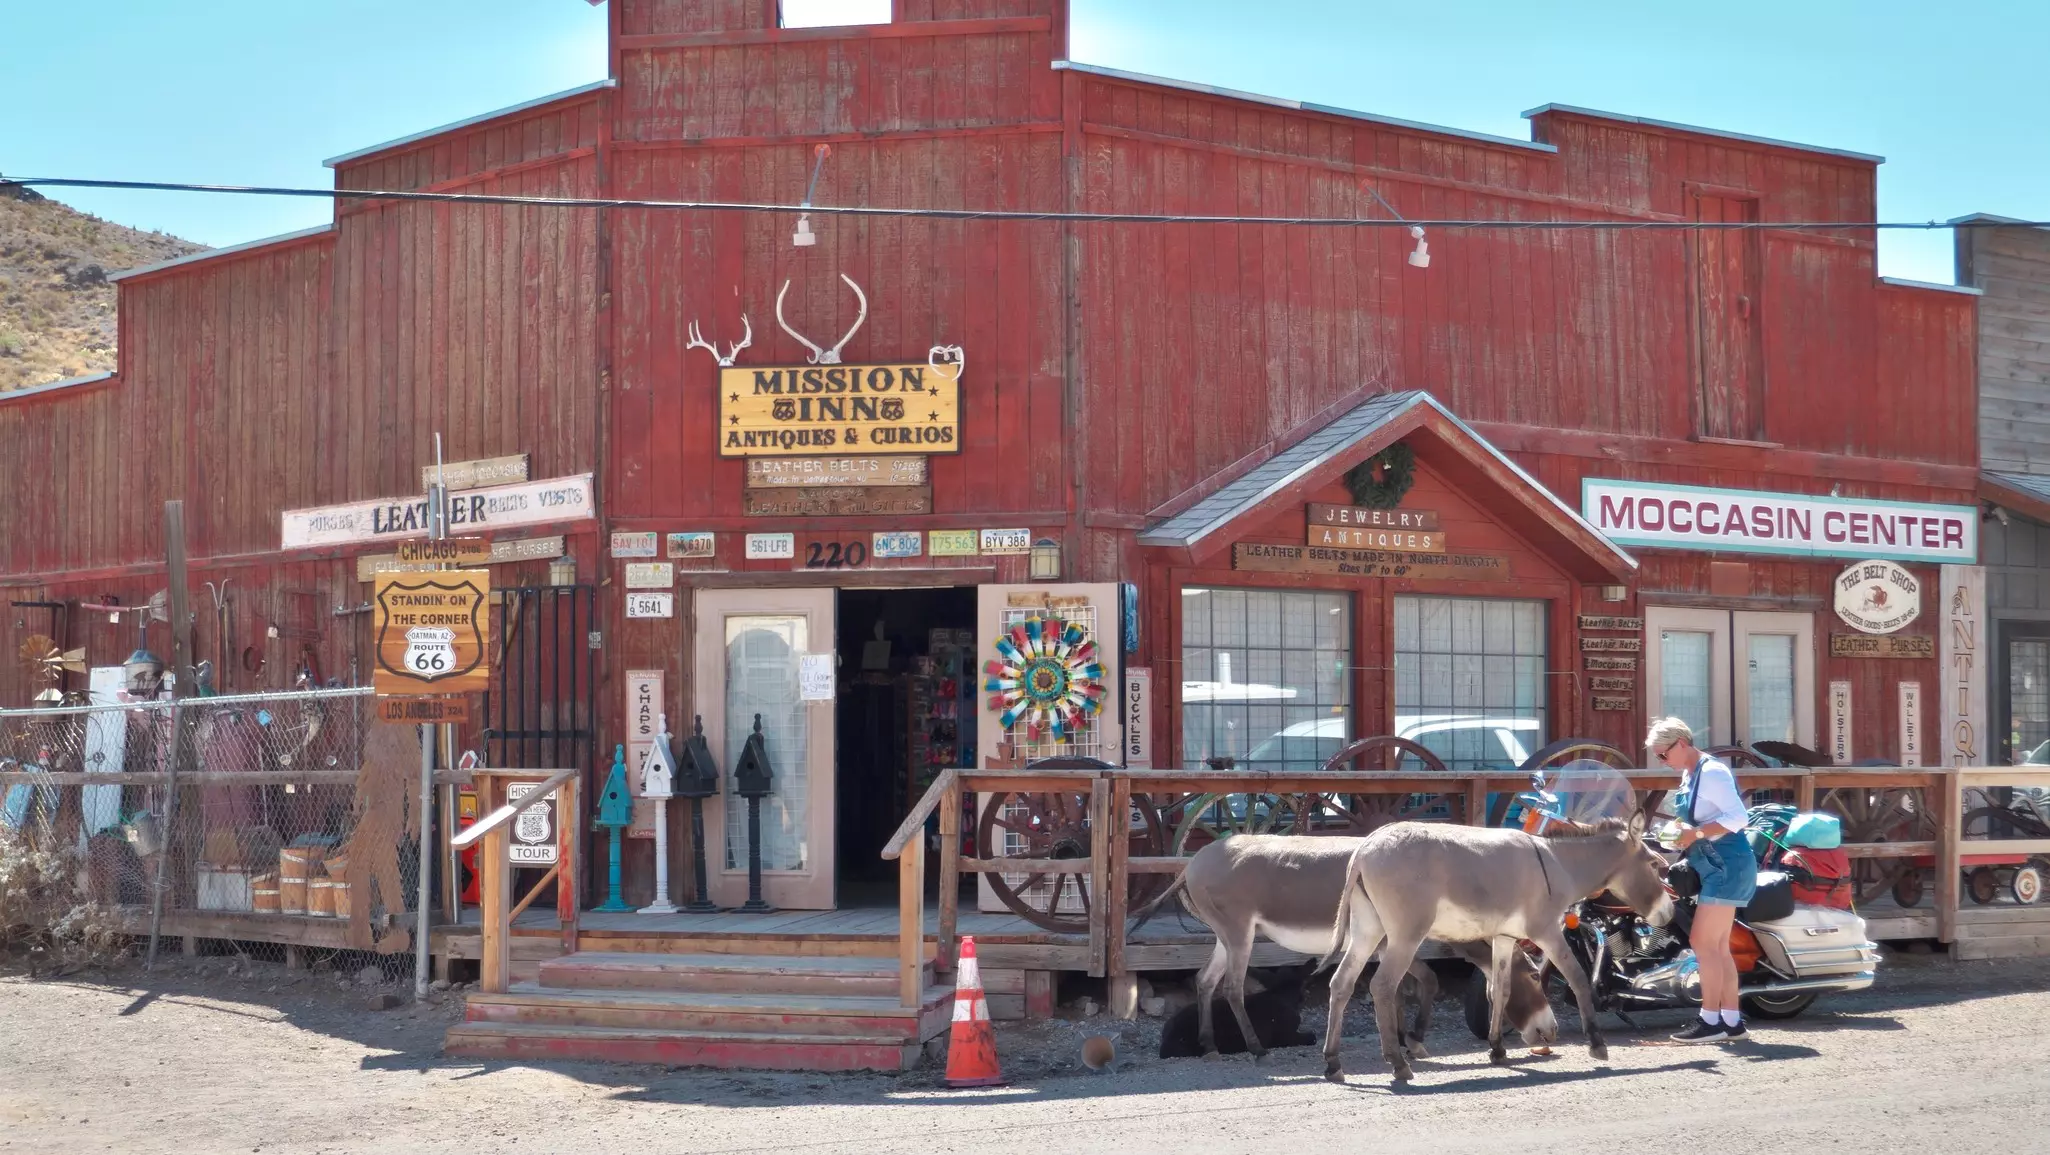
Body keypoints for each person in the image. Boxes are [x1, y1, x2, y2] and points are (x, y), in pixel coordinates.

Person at [1647, 716, 1756, 1043]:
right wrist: (1679, 833)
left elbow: (1738, 817)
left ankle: (1711, 1022)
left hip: (1726, 864)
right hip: (1716, 864)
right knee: (1717, 947)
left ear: (1681, 743)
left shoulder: (1712, 772)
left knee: (1703, 943)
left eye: (1663, 755)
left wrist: (1695, 833)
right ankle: (1732, 1022)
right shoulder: (1691, 773)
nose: (1662, 762)